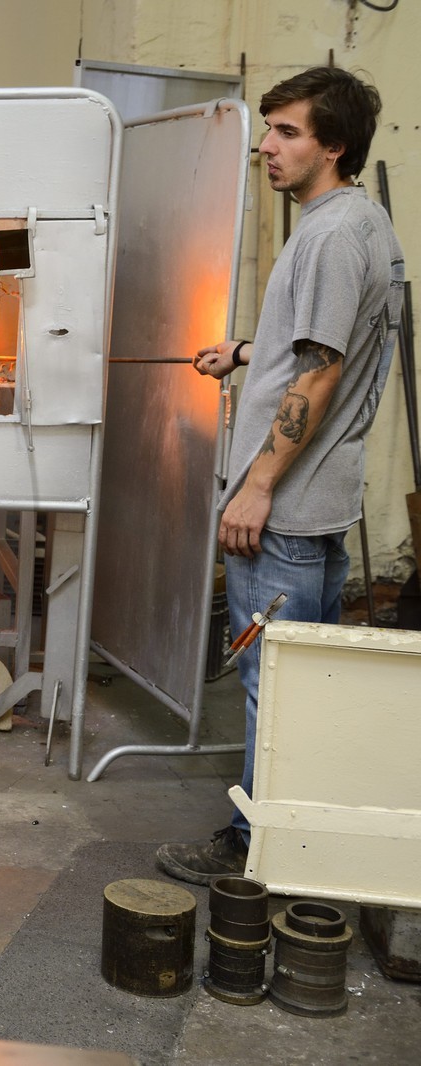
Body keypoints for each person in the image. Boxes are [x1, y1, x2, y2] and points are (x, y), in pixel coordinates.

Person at [156, 67, 404, 885]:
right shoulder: (361, 222)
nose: (266, 146)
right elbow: (319, 347)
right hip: (319, 501)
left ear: (333, 145)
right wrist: (241, 354)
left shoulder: (330, 237)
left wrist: (256, 486)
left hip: (287, 507)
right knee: (309, 683)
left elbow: (322, 374)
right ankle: (299, 836)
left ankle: (255, 853)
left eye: (287, 132)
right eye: (268, 129)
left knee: (276, 689)